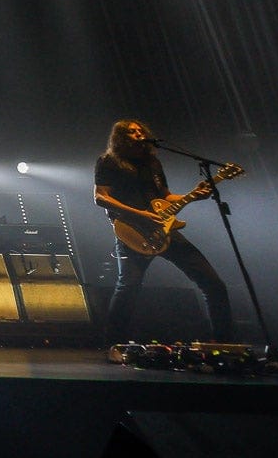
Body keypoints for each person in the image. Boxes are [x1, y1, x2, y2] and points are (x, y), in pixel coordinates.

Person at [93, 120, 233, 345]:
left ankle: (224, 343)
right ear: (121, 138)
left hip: (164, 228)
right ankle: (114, 344)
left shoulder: (152, 162)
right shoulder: (109, 161)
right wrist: (140, 214)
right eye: (131, 131)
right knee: (128, 288)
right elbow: (100, 197)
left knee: (213, 283)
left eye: (140, 130)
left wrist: (193, 196)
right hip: (132, 230)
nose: (138, 133)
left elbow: (165, 196)